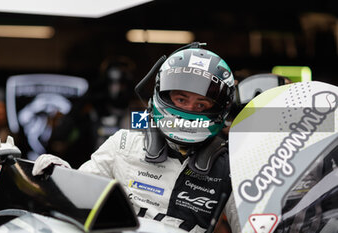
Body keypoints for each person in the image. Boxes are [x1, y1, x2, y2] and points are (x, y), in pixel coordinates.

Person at [32, 42, 240, 233]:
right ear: (162, 93)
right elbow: (78, 198)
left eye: (201, 104)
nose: (189, 109)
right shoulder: (125, 141)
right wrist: (60, 177)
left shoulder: (231, 165)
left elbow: (255, 225)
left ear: (221, 108)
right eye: (181, 99)